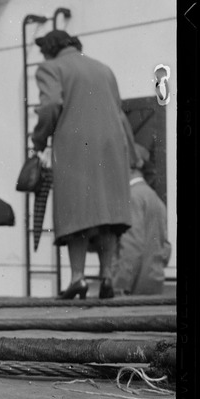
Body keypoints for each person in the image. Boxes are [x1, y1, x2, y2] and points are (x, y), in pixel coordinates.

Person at [30, 29, 135, 300]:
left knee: (75, 212)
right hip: (112, 146)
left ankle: (77, 278)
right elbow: (120, 112)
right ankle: (107, 277)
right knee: (107, 214)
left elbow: (51, 104)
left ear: (50, 49)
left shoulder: (50, 67)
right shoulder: (104, 69)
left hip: (75, 146)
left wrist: (39, 140)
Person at [114, 147, 171, 295]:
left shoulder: (132, 197)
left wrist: (120, 284)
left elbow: (132, 247)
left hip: (132, 287)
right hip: (154, 283)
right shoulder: (155, 198)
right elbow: (165, 248)